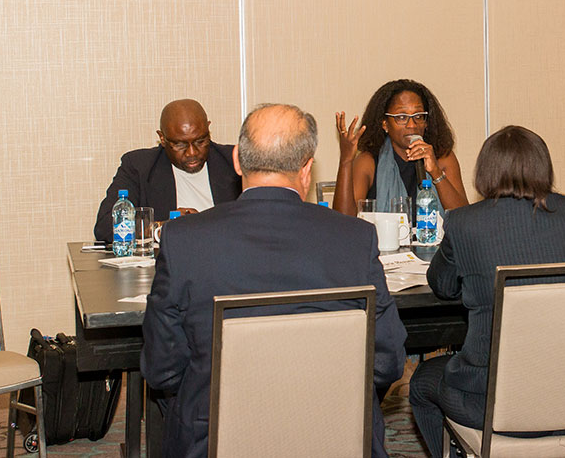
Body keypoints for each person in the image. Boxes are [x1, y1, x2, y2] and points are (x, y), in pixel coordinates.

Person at [141, 104, 407, 458]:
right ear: (307, 169)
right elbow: (387, 361)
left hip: (215, 441)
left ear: (237, 161)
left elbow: (162, 369)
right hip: (336, 435)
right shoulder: (356, 238)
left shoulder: (183, 240)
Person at [408, 125, 565, 458]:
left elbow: (442, 286)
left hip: (494, 406)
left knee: (421, 383)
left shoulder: (464, 223)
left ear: (484, 172)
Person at [94, 99, 241, 243]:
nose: (192, 152)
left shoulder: (234, 162)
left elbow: (253, 220)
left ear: (208, 129)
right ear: (162, 138)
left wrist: (203, 224)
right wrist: (162, 228)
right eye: (180, 145)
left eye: (200, 141)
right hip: (170, 258)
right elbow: (105, 226)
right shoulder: (139, 167)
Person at [332, 79, 468, 218]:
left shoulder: (443, 157)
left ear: (426, 122)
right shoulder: (369, 162)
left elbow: (464, 220)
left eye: (418, 116)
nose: (412, 125)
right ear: (385, 124)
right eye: (402, 117)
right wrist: (346, 161)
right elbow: (343, 221)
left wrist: (436, 173)